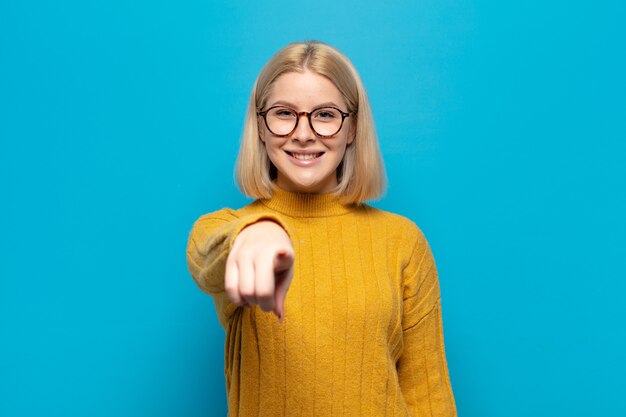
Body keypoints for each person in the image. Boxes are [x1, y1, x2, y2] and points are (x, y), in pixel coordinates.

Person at [186, 40, 457, 416]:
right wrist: (259, 230)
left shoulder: (402, 242)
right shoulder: (232, 231)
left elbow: (429, 396)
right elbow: (207, 252)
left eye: (325, 115)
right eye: (284, 113)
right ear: (261, 127)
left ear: (352, 130)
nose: (303, 133)